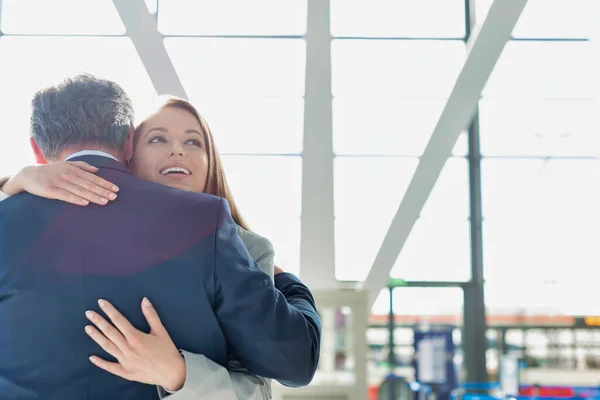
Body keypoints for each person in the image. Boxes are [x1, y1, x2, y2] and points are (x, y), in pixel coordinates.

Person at [0, 74, 321, 400]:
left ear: (37, 150)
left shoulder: (8, 220)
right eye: (157, 139)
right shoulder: (206, 222)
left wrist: (8, 187)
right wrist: (291, 287)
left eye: (193, 142)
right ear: (129, 143)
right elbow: (292, 361)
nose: (176, 152)